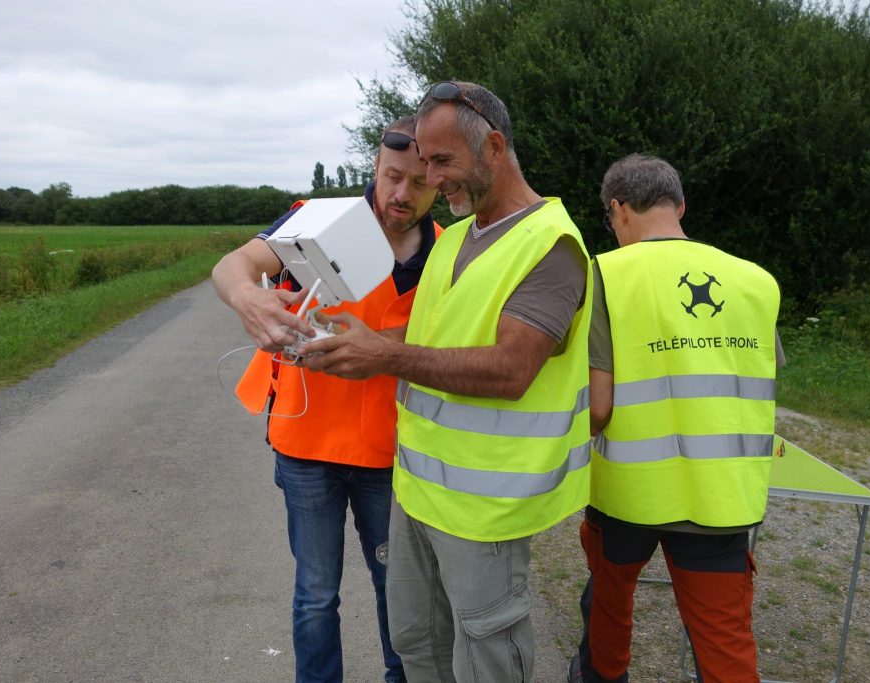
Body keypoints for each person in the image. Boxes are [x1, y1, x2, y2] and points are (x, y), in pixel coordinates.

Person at [301, 81, 592, 683]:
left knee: (487, 655)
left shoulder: (552, 246)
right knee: (417, 640)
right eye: (422, 162)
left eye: (441, 161)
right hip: (417, 493)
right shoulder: (455, 236)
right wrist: (361, 337)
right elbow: (432, 338)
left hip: (486, 509)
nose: (430, 179)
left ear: (492, 145)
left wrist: (383, 356)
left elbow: (512, 369)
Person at [211, 116, 439, 683]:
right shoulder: (315, 220)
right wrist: (248, 299)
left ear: (440, 182)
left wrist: (385, 345)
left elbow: (460, 337)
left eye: (418, 182)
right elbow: (232, 265)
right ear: (375, 167)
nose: (400, 194)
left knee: (400, 594)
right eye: (391, 177)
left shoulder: (450, 249)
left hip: (393, 452)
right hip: (307, 445)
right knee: (315, 596)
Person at [569, 153, 783, 683]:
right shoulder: (755, 280)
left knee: (609, 614)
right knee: (725, 643)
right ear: (681, 205)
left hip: (628, 494)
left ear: (617, 210)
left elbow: (598, 406)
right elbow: (758, 369)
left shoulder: (605, 274)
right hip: (723, 495)